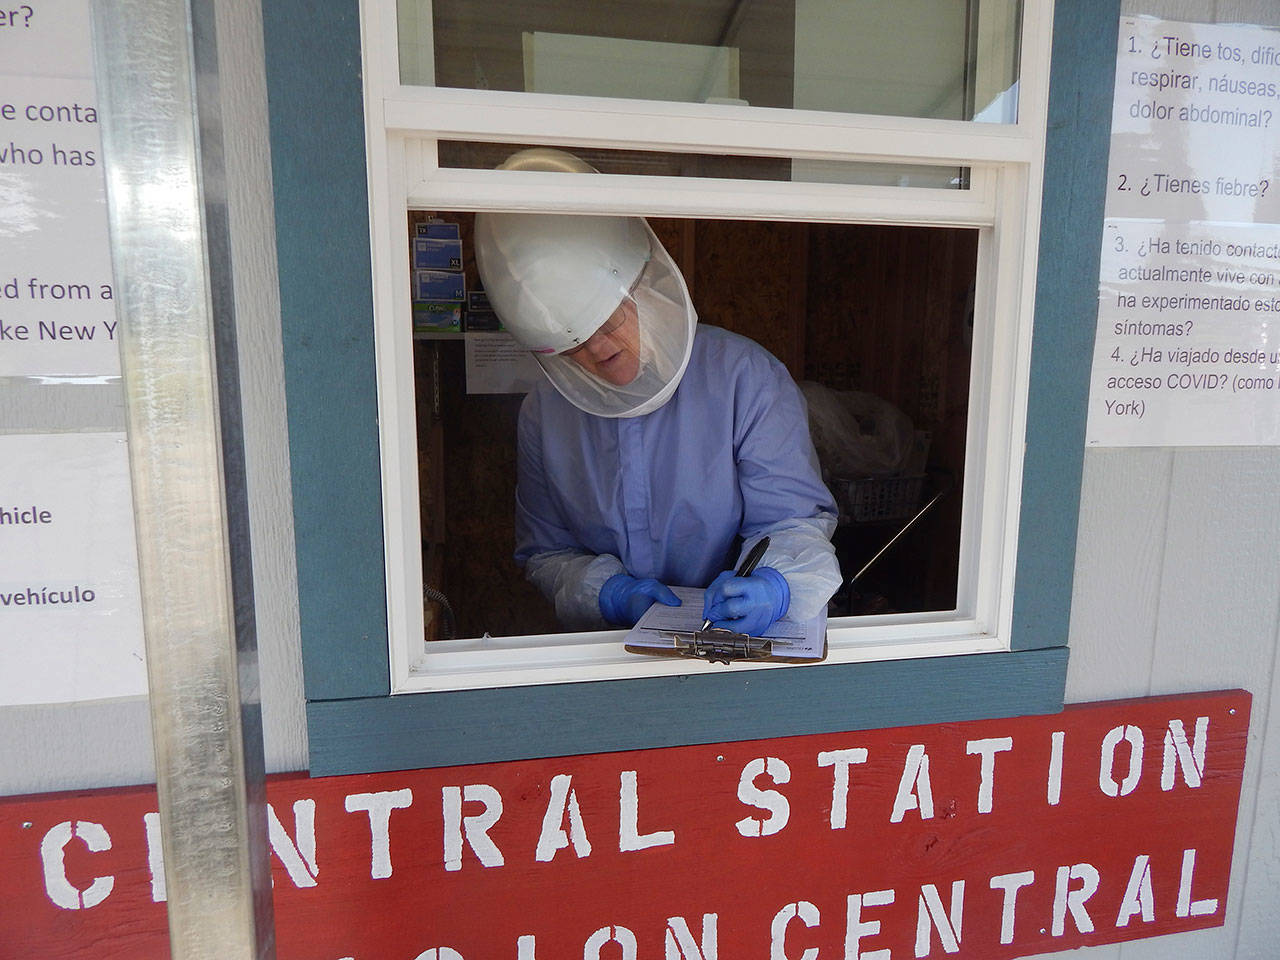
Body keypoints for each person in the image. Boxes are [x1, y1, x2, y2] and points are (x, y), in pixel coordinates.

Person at [474, 148, 841, 635]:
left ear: (644, 284)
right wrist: (605, 592)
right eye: (571, 345)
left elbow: (792, 525)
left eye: (609, 320)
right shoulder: (545, 412)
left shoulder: (745, 377)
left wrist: (779, 585)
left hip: (733, 640)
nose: (597, 349)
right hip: (610, 646)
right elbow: (547, 554)